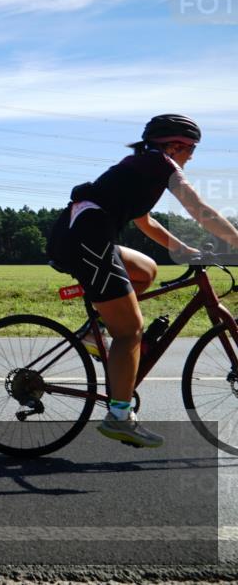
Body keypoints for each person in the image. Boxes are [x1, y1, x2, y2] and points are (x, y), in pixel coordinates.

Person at [46, 114, 238, 448]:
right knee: (131, 330)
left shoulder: (141, 166)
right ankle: (119, 417)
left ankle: (95, 332)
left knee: (146, 270)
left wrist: (183, 249)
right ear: (176, 145)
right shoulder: (159, 165)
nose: (191, 156)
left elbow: (144, 222)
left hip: (87, 236)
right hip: (87, 240)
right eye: (191, 149)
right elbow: (200, 210)